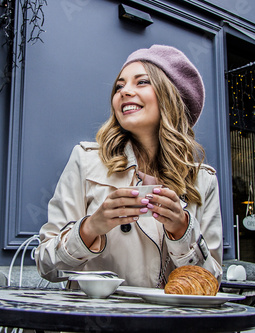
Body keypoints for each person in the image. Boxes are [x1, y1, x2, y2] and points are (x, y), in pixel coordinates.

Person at [35, 45, 223, 288]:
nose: (125, 92)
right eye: (119, 86)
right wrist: (91, 228)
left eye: (141, 82)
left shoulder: (202, 181)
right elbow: (47, 266)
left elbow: (211, 283)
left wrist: (181, 230)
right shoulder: (85, 161)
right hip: (94, 321)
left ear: (171, 96)